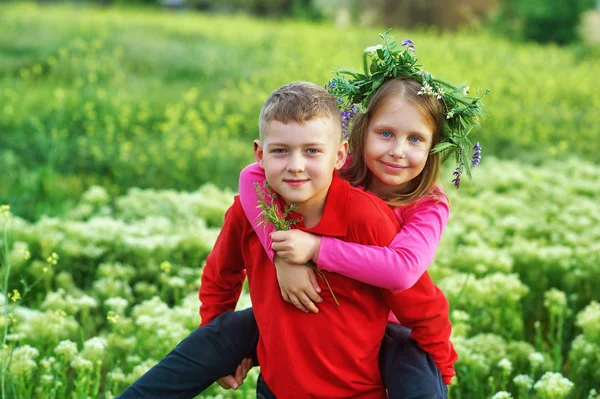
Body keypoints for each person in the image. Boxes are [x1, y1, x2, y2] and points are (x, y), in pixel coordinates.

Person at [118, 31, 486, 399]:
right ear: (357, 137)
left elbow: (404, 273)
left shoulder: (423, 205)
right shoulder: (323, 174)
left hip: (385, 327)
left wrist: (312, 249)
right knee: (224, 333)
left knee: (413, 363)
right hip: (295, 319)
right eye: (385, 133)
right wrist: (283, 256)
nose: (397, 152)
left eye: (416, 139)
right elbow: (251, 177)